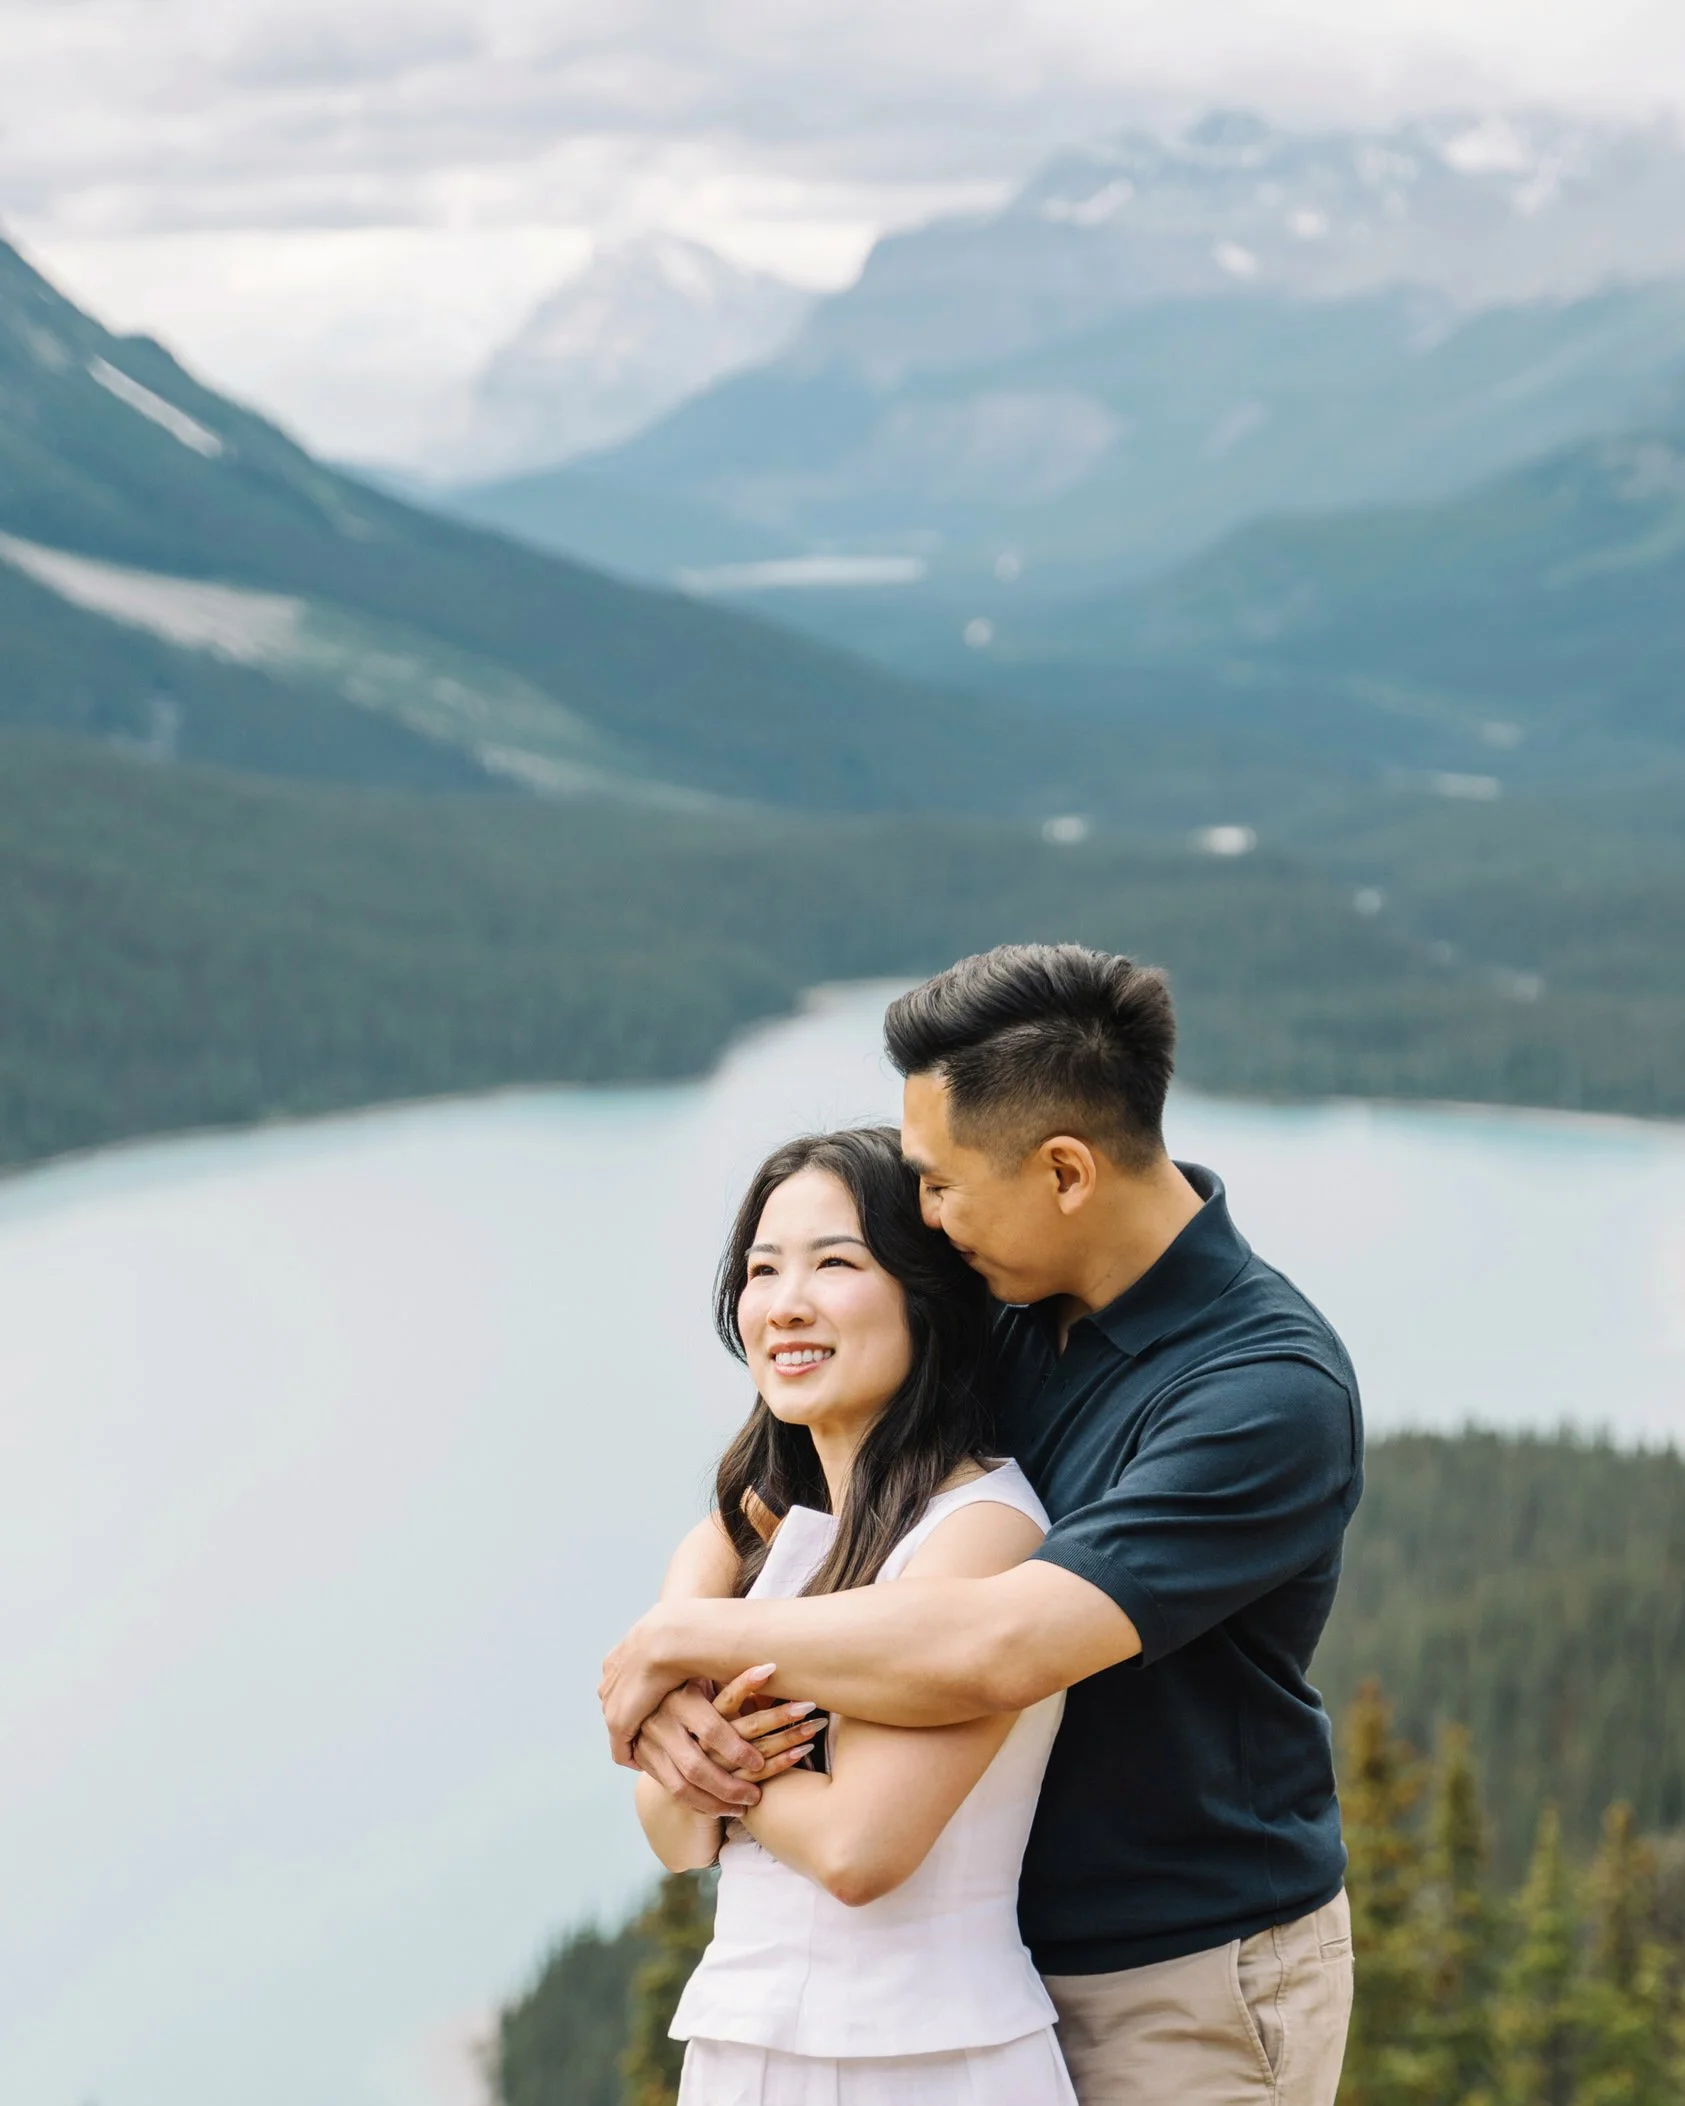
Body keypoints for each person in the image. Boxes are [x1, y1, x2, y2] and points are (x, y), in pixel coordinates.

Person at [605, 943, 1364, 2106]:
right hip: (977, 1960)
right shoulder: (1010, 1310)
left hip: (1181, 1973)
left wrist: (681, 1654)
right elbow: (767, 1500)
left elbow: (995, 1647)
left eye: (942, 1183)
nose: (927, 1214)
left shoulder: (1259, 1392)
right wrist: (679, 1651)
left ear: (1064, 1172)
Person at [635, 1124, 1079, 2104]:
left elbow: (857, 1849)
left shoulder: (981, 1532)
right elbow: (669, 1833)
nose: (784, 1306)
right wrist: (703, 1753)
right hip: (742, 2054)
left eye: (834, 1263)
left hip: (926, 2062)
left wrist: (717, 1755)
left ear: (927, 1297)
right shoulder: (758, 1534)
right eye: (760, 1270)